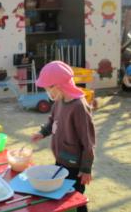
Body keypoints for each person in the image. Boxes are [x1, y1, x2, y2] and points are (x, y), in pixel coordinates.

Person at [30, 61, 95, 212]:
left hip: (75, 165)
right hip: (61, 158)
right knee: (61, 194)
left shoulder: (79, 107)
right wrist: (42, 132)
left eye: (47, 88)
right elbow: (52, 121)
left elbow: (88, 141)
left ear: (57, 85)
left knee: (75, 198)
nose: (47, 92)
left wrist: (86, 169)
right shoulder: (59, 101)